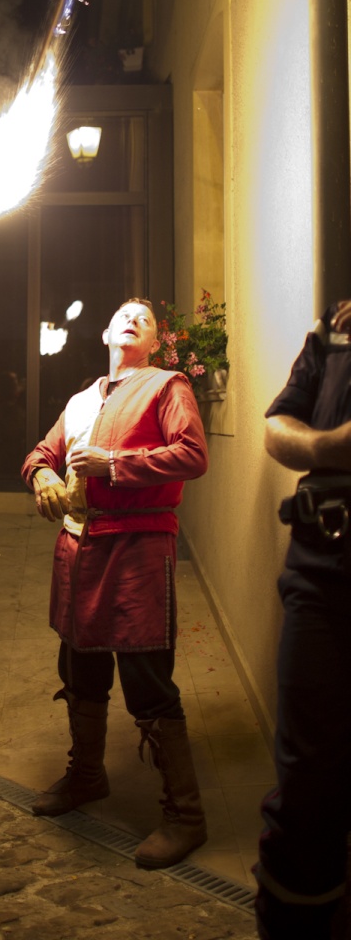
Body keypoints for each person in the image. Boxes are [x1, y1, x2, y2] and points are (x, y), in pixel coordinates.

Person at [21, 297, 209, 869]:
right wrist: (43, 476)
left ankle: (186, 814)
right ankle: (86, 776)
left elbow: (193, 455)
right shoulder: (82, 400)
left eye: (144, 319)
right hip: (78, 552)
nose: (132, 320)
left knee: (148, 681)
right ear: (105, 332)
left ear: (155, 341)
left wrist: (116, 465)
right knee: (80, 671)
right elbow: (39, 453)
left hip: (137, 550)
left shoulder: (166, 386)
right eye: (123, 314)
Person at [254, 300, 351, 940]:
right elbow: (276, 426)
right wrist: (332, 447)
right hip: (323, 566)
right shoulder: (335, 327)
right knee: (308, 775)